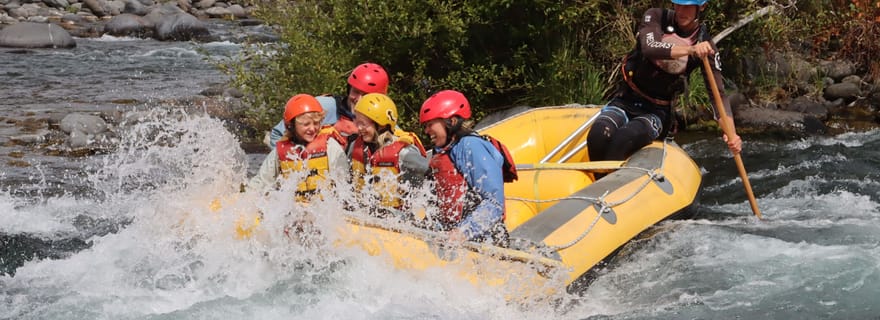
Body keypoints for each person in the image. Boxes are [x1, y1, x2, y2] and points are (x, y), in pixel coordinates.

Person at [586, 0, 742, 163]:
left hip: (657, 111)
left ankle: (612, 183)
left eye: (688, 6)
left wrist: (732, 135)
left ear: (701, 7)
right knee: (598, 135)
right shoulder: (655, 16)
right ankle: (598, 180)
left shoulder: (706, 48)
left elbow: (718, 96)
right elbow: (650, 48)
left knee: (623, 139)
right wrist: (690, 50)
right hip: (626, 98)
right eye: (678, 4)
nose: (681, 10)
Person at [419, 90, 507, 245]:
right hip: (455, 236)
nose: (426, 131)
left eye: (430, 124)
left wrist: (463, 232)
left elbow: (494, 203)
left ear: (451, 121)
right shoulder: (442, 151)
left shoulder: (470, 146)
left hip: (483, 240)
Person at [248, 94, 349, 197]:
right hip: (294, 209)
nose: (312, 128)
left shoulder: (330, 146)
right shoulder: (280, 151)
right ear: (291, 125)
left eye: (316, 123)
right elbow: (260, 182)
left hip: (324, 207)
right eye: (306, 124)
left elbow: (344, 183)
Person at [268, 62, 390, 146]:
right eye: (355, 92)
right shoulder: (322, 106)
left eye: (366, 95)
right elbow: (278, 134)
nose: (359, 99)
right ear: (348, 90)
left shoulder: (384, 120)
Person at [348, 93, 428, 214]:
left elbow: (430, 174)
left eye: (363, 123)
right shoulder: (356, 147)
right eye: (357, 122)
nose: (358, 128)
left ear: (381, 125)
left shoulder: (404, 152)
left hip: (399, 219)